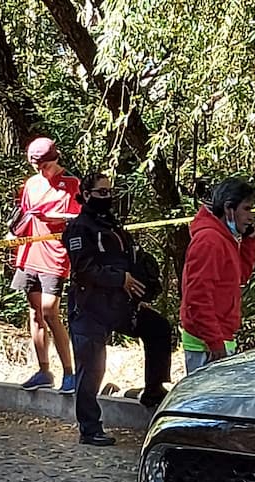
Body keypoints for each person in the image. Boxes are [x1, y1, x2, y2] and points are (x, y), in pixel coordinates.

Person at [62, 172, 172, 446]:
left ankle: (154, 390)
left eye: (109, 192)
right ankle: (90, 428)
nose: (107, 197)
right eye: (100, 192)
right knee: (91, 367)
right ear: (86, 195)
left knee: (158, 328)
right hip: (90, 306)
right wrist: (119, 279)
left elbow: (129, 260)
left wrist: (140, 285)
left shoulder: (113, 225)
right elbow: (84, 269)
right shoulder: (79, 228)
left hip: (120, 305)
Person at [11, 137, 81, 394]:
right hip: (29, 252)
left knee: (51, 311)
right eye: (37, 166)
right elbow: (22, 214)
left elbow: (82, 219)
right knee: (35, 313)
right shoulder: (31, 184)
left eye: (45, 166)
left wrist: (57, 218)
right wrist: (15, 233)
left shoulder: (72, 184)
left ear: (55, 159)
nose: (42, 171)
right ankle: (43, 370)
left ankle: (70, 372)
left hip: (56, 254)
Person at [181, 177, 255, 374]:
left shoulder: (225, 239)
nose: (251, 217)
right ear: (229, 209)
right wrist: (214, 342)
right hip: (205, 344)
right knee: (207, 403)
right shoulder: (210, 241)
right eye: (247, 209)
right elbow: (196, 297)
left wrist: (249, 243)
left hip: (220, 337)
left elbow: (238, 277)